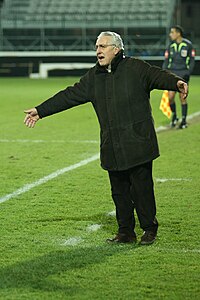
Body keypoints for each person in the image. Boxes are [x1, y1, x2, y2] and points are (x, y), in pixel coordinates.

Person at [24, 31, 188, 245]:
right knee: (119, 192)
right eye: (96, 47)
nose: (98, 51)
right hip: (112, 144)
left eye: (102, 46)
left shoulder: (136, 68)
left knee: (142, 190)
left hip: (138, 142)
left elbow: (157, 76)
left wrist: (176, 83)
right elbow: (69, 96)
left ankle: (149, 229)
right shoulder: (94, 77)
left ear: (116, 49)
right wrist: (41, 110)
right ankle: (125, 232)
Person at [162, 25, 195, 129]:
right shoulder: (170, 46)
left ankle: (184, 120)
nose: (170, 34)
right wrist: (164, 71)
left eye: (172, 32)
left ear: (178, 33)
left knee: (182, 97)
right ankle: (175, 116)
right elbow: (166, 60)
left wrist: (188, 72)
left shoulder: (188, 45)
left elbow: (192, 60)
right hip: (172, 74)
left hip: (183, 73)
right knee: (170, 97)